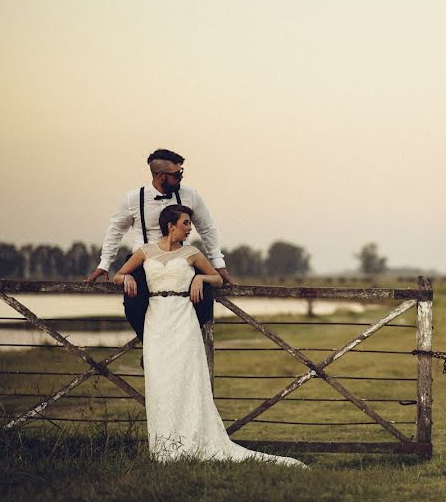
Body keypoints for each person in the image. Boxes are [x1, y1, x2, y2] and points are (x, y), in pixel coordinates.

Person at [114, 204, 305, 466]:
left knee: (186, 379)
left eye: (190, 223)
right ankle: (163, 448)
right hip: (156, 320)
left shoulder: (191, 253)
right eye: (185, 223)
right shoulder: (145, 251)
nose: (189, 227)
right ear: (171, 225)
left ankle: (191, 441)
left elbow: (216, 278)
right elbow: (118, 274)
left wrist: (199, 280)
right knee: (160, 382)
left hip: (183, 318)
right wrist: (127, 279)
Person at [86, 149, 233, 339]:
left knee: (204, 298)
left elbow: (207, 228)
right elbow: (115, 230)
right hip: (143, 261)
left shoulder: (191, 195)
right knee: (133, 304)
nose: (181, 177)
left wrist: (218, 263)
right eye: (177, 174)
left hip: (182, 260)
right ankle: (150, 344)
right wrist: (104, 264)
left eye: (182, 172)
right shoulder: (134, 198)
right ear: (161, 176)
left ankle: (186, 341)